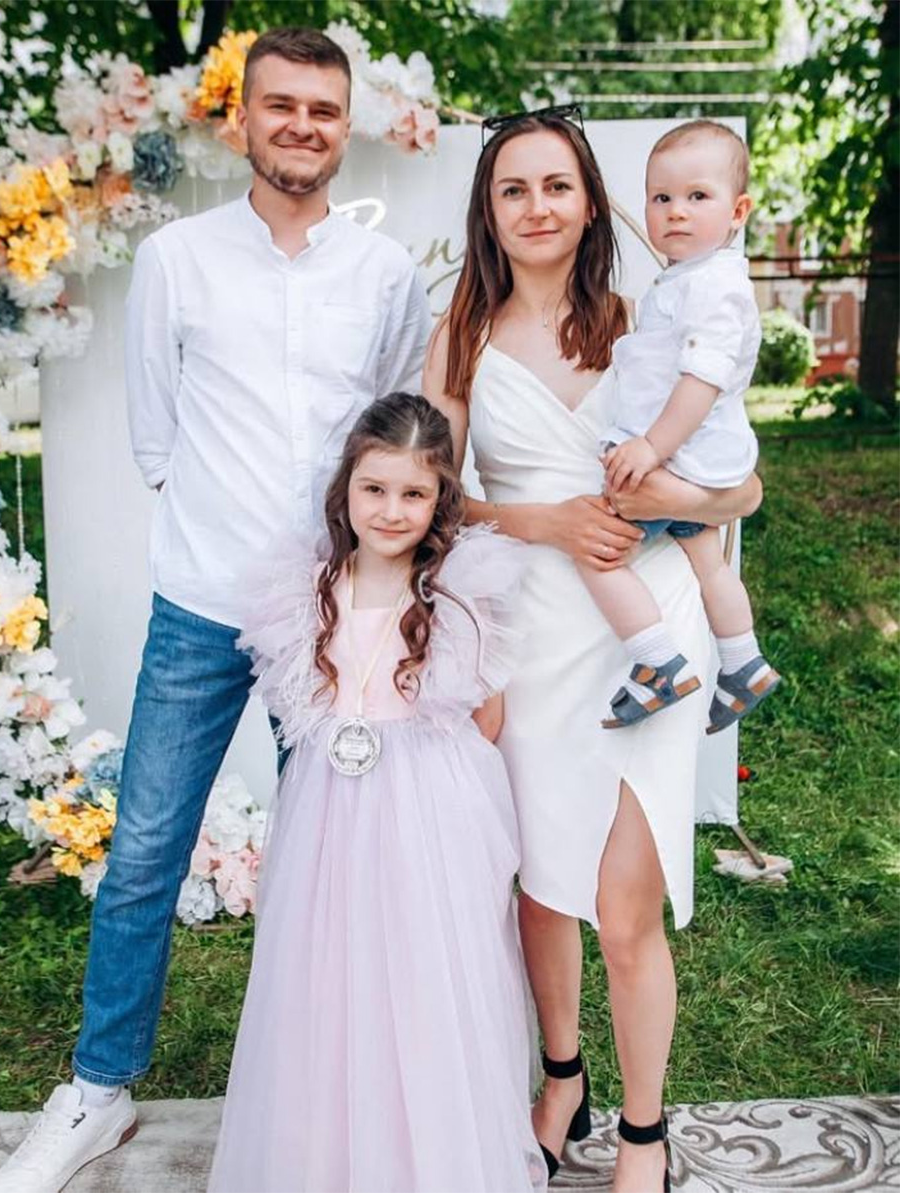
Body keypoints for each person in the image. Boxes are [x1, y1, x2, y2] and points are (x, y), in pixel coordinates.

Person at [0, 28, 430, 1193]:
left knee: (340, 857)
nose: (302, 127)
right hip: (200, 603)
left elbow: (395, 435)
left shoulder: (384, 275)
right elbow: (155, 432)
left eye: (323, 110)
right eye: (282, 106)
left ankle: (336, 1091)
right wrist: (217, 525)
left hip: (333, 618)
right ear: (245, 120)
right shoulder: (178, 258)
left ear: (345, 126)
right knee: (144, 850)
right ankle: (98, 1090)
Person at [424, 109, 762, 1193]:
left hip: (648, 625)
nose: (538, 207)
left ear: (588, 202)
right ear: (488, 209)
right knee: (538, 880)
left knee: (624, 905)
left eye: (557, 185)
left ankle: (644, 1133)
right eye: (514, 188)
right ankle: (561, 1079)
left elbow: (741, 486)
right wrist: (548, 521)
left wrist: (668, 499)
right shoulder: (461, 336)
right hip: (528, 627)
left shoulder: (645, 319)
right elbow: (433, 503)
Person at [208, 392, 545, 1193]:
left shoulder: (456, 593)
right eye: (375, 489)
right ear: (346, 489)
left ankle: (426, 1149)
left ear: (439, 500)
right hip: (330, 806)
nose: (392, 510)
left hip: (427, 805)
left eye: (413, 493)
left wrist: (434, 791)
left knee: (425, 964)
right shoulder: (308, 589)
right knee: (329, 966)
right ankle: (330, 1150)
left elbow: (486, 715)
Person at [591, 119, 780, 733]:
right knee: (707, 560)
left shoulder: (715, 287)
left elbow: (702, 379)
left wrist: (651, 447)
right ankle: (743, 662)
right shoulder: (687, 279)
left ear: (738, 211)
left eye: (698, 196)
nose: (676, 211)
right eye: (661, 197)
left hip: (682, 454)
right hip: (693, 454)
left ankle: (658, 664)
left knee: (599, 551)